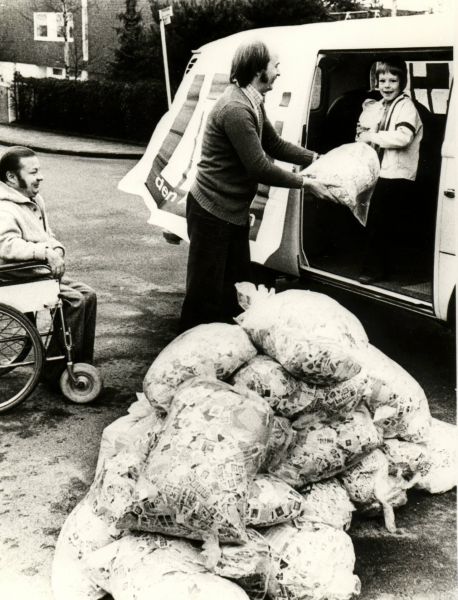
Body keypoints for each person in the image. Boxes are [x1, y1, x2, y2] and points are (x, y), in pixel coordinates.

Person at [179, 40, 334, 331]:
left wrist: (318, 159)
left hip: (231, 212)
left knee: (236, 289)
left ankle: (222, 352)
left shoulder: (252, 100)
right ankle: (187, 361)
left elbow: (273, 144)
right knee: (204, 295)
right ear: (258, 69)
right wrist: (306, 183)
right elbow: (259, 167)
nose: (278, 72)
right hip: (212, 211)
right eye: (275, 66)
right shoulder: (236, 108)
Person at [0, 146, 97, 389]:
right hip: (14, 275)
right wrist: (45, 253)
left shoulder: (33, 200)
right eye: (33, 172)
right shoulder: (4, 207)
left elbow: (47, 235)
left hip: (34, 271)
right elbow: (7, 247)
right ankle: (57, 372)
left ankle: (79, 362)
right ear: (11, 177)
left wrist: (56, 249)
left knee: (88, 295)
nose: (40, 176)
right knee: (74, 300)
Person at [356, 57, 423, 284]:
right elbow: (366, 130)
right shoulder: (380, 106)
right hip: (382, 172)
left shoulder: (406, 107)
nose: (386, 85)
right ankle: (378, 266)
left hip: (398, 175)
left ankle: (376, 270)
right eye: (382, 80)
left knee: (381, 222)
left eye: (392, 80)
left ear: (402, 82)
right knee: (377, 220)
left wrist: (371, 136)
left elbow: (403, 137)